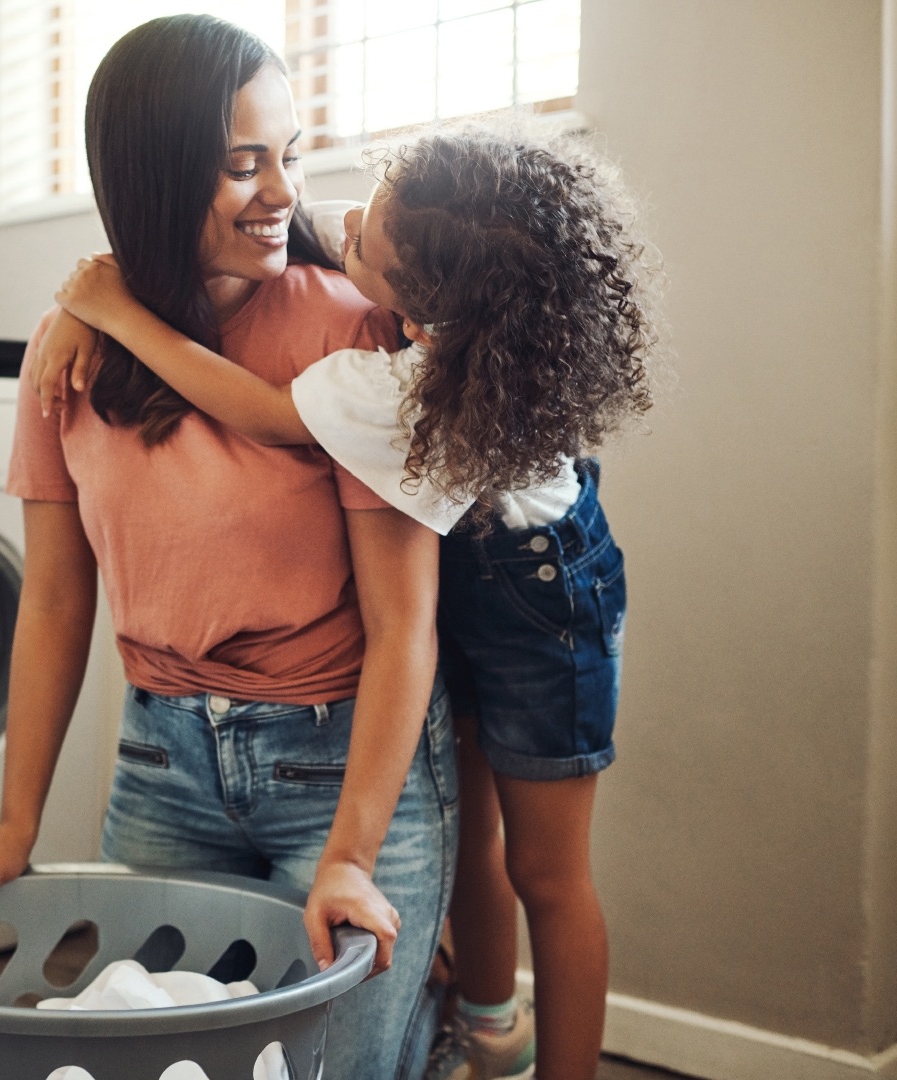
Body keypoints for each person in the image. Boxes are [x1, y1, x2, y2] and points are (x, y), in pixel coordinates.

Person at [0, 15, 457, 1079]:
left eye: (289, 155)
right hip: (162, 762)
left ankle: (432, 1022)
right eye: (243, 165)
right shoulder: (68, 354)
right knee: (160, 1061)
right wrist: (14, 824)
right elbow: (58, 602)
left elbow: (405, 626)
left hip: (339, 757)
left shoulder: (349, 332)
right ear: (153, 176)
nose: (284, 194)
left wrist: (350, 851)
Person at [35, 125, 657, 1080]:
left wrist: (117, 316)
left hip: (544, 593)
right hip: (460, 562)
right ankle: (490, 1024)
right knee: (473, 825)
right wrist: (102, 283)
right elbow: (192, 219)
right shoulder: (407, 244)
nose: (341, 222)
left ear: (415, 309)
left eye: (364, 242)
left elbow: (264, 413)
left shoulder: (399, 382)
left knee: (549, 870)